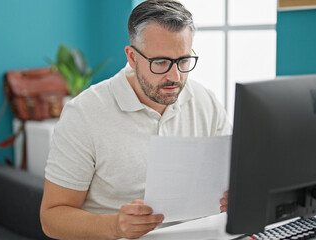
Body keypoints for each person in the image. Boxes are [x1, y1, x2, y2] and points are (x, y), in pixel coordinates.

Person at [40, 0, 232, 239]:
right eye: (161, 62)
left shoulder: (206, 101)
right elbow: (52, 218)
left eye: (183, 60)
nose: (175, 76)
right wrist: (115, 226)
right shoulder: (83, 114)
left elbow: (232, 178)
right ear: (132, 57)